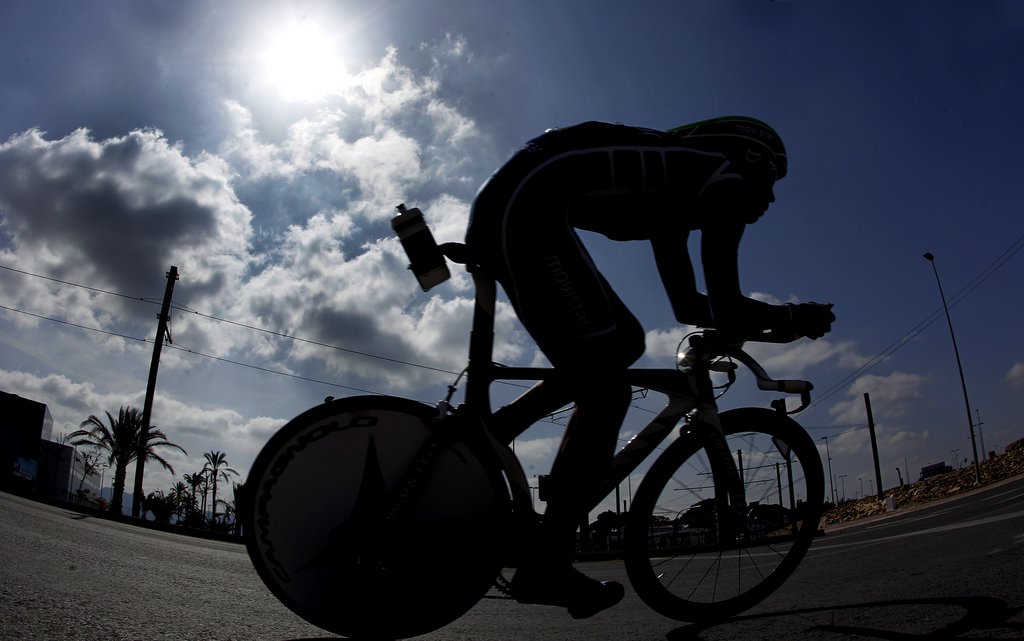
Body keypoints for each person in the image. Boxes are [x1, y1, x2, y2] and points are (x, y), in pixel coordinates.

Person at [464, 117, 835, 618]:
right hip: (527, 208)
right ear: (751, 160)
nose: (770, 201)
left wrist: (765, 322)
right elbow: (725, 306)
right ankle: (547, 561)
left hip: (516, 203)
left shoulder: (673, 206)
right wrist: (792, 317)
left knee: (627, 342)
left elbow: (689, 306)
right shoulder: (720, 177)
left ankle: (491, 429)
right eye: (771, 182)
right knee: (609, 392)